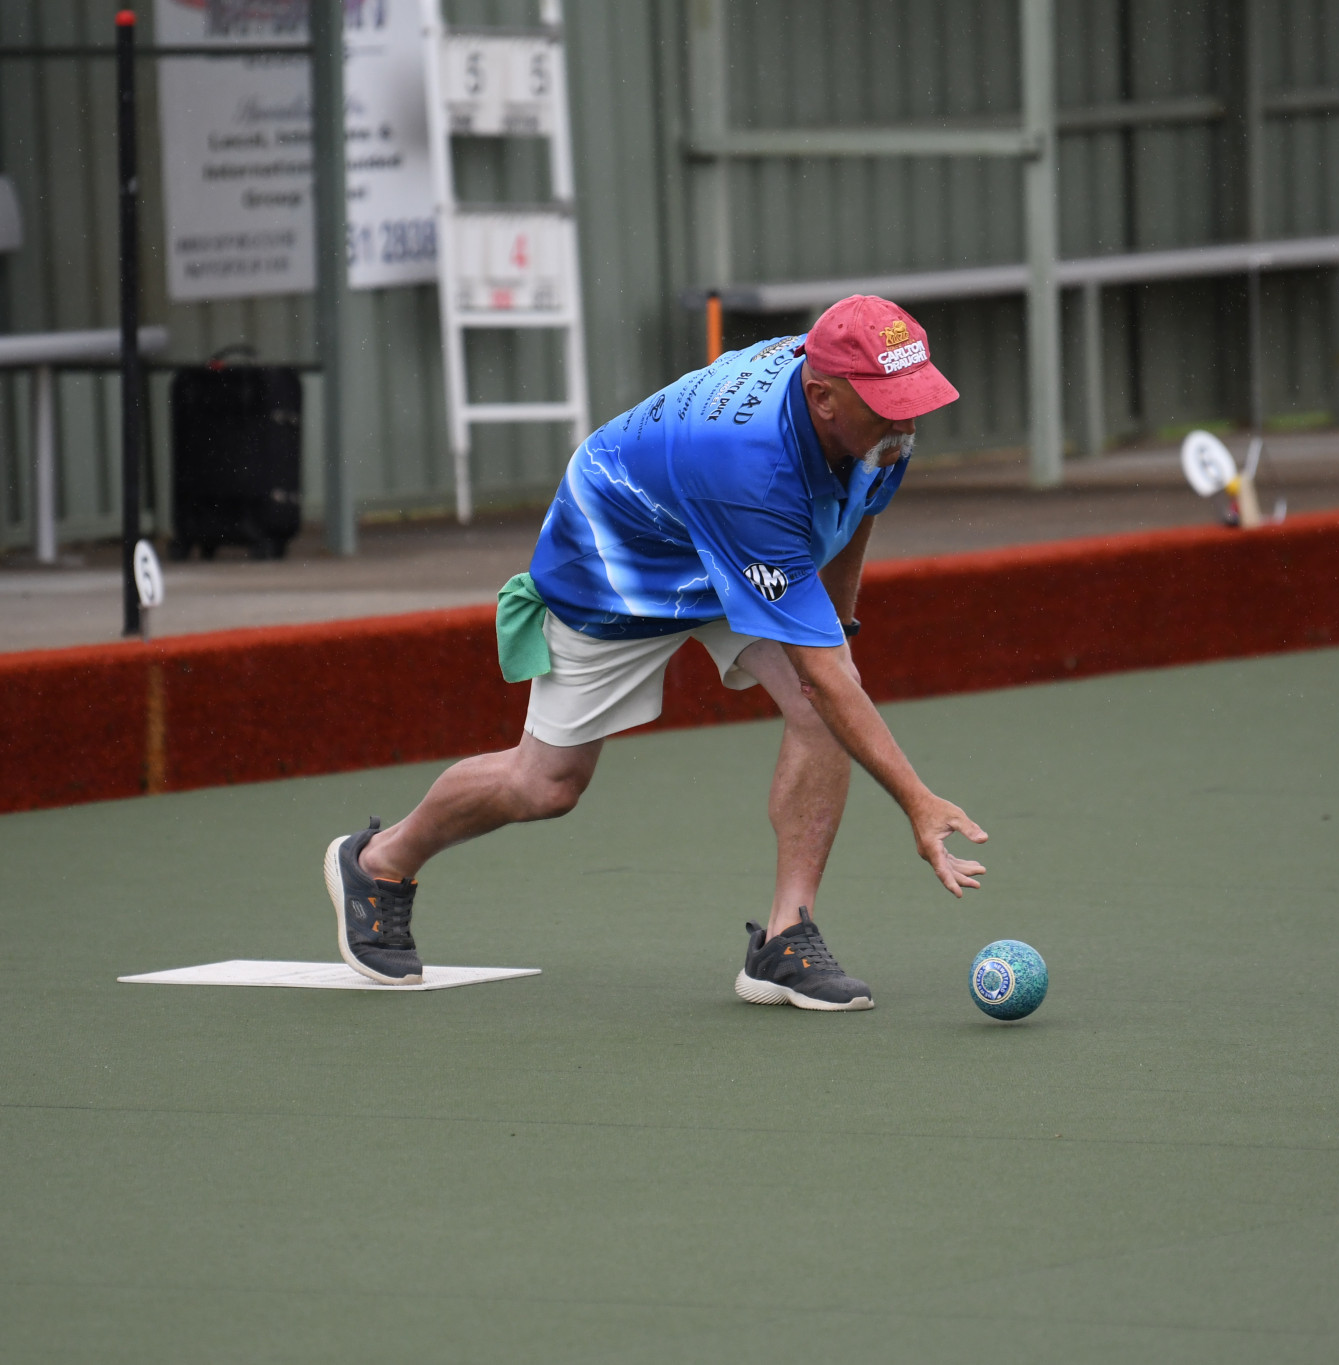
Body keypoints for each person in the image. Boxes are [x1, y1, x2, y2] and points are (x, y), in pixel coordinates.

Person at [324, 294, 988, 1010]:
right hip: (620, 553)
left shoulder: (874, 400)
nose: (908, 417)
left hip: (725, 531)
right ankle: (378, 862)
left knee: (820, 696)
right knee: (547, 784)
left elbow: (855, 510)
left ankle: (786, 938)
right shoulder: (752, 461)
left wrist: (840, 623)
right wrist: (917, 803)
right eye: (892, 405)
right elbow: (824, 670)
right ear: (822, 398)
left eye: (914, 397)